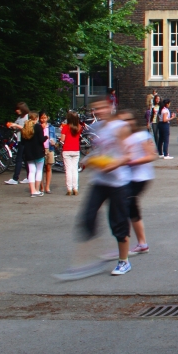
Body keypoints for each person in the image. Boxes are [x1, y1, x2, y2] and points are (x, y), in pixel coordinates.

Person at [66, 96, 133, 278]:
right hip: (100, 181)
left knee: (118, 223)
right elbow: (100, 151)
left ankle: (124, 261)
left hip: (118, 181)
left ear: (110, 107)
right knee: (87, 217)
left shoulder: (120, 128)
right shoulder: (96, 128)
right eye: (95, 110)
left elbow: (128, 155)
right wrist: (88, 159)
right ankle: (87, 260)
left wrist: (114, 164)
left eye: (102, 108)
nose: (98, 112)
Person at [123, 111, 156, 256]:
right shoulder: (124, 138)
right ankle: (142, 243)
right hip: (128, 178)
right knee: (131, 209)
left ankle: (127, 243)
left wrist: (131, 161)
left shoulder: (141, 136)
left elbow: (151, 155)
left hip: (141, 177)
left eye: (128, 119)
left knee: (126, 206)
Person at [17, 112, 46, 197]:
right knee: (39, 171)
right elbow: (41, 140)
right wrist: (46, 137)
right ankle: (37, 189)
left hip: (28, 153)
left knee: (31, 171)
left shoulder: (25, 127)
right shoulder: (38, 127)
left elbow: (22, 142)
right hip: (38, 152)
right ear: (36, 118)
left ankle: (32, 191)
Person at [4, 102, 30, 185]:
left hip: (24, 139)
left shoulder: (27, 117)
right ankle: (29, 177)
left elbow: (27, 128)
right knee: (25, 159)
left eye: (18, 109)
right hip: (20, 139)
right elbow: (16, 125)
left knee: (19, 159)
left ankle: (15, 178)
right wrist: (12, 125)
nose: (17, 110)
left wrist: (16, 125)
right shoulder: (19, 118)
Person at [59, 111, 83, 195]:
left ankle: (69, 189)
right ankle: (75, 188)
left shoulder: (65, 127)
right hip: (76, 150)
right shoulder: (79, 127)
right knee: (75, 169)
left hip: (67, 150)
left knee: (68, 170)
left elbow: (62, 139)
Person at [40, 111, 55, 194]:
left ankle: (47, 186)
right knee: (40, 168)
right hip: (40, 149)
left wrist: (54, 142)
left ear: (47, 118)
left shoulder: (51, 127)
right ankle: (41, 186)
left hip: (49, 148)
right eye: (41, 118)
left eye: (45, 118)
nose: (43, 119)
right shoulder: (38, 127)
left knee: (48, 168)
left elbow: (54, 138)